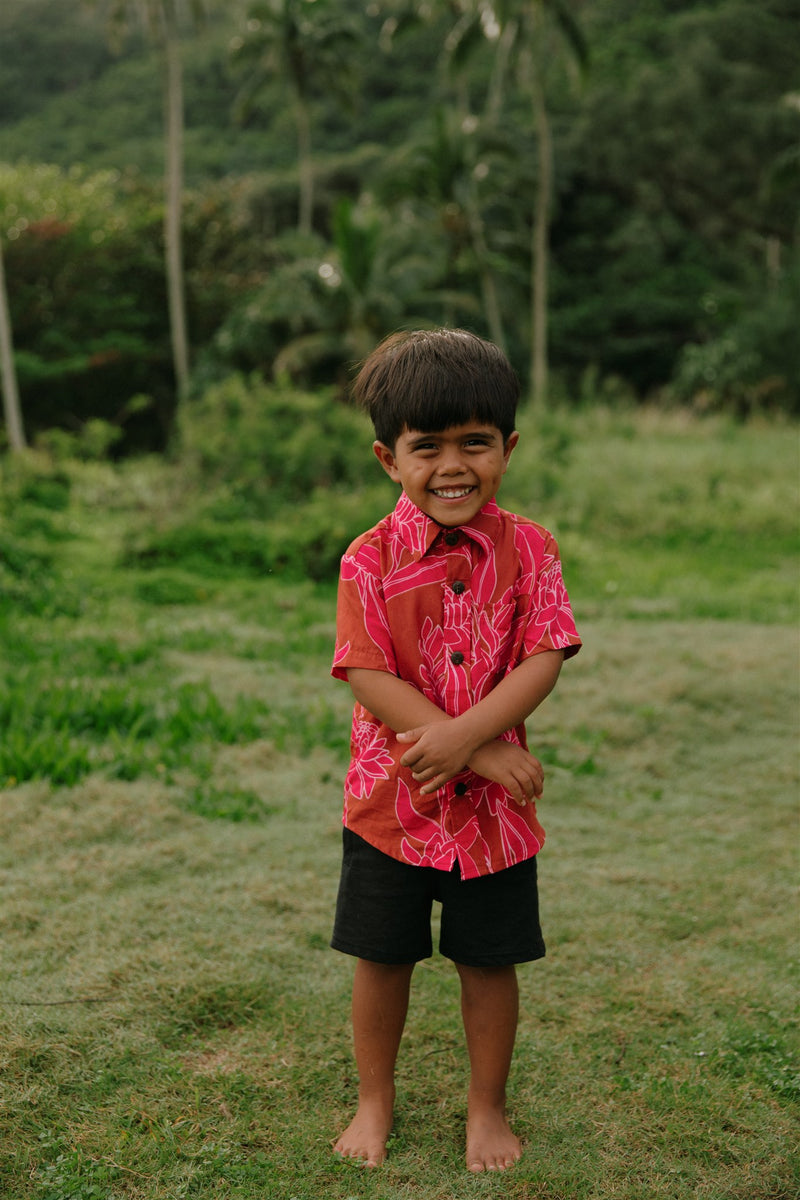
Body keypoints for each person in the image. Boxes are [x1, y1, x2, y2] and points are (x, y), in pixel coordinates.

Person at [329, 328, 581, 1172]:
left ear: (507, 447)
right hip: (389, 811)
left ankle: (487, 1109)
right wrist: (478, 752)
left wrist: (475, 739)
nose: (453, 466)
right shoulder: (367, 559)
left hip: (494, 826)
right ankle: (375, 1101)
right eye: (425, 446)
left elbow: (545, 654)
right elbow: (366, 673)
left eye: (475, 442)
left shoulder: (532, 549)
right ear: (386, 458)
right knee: (382, 957)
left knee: (489, 960)